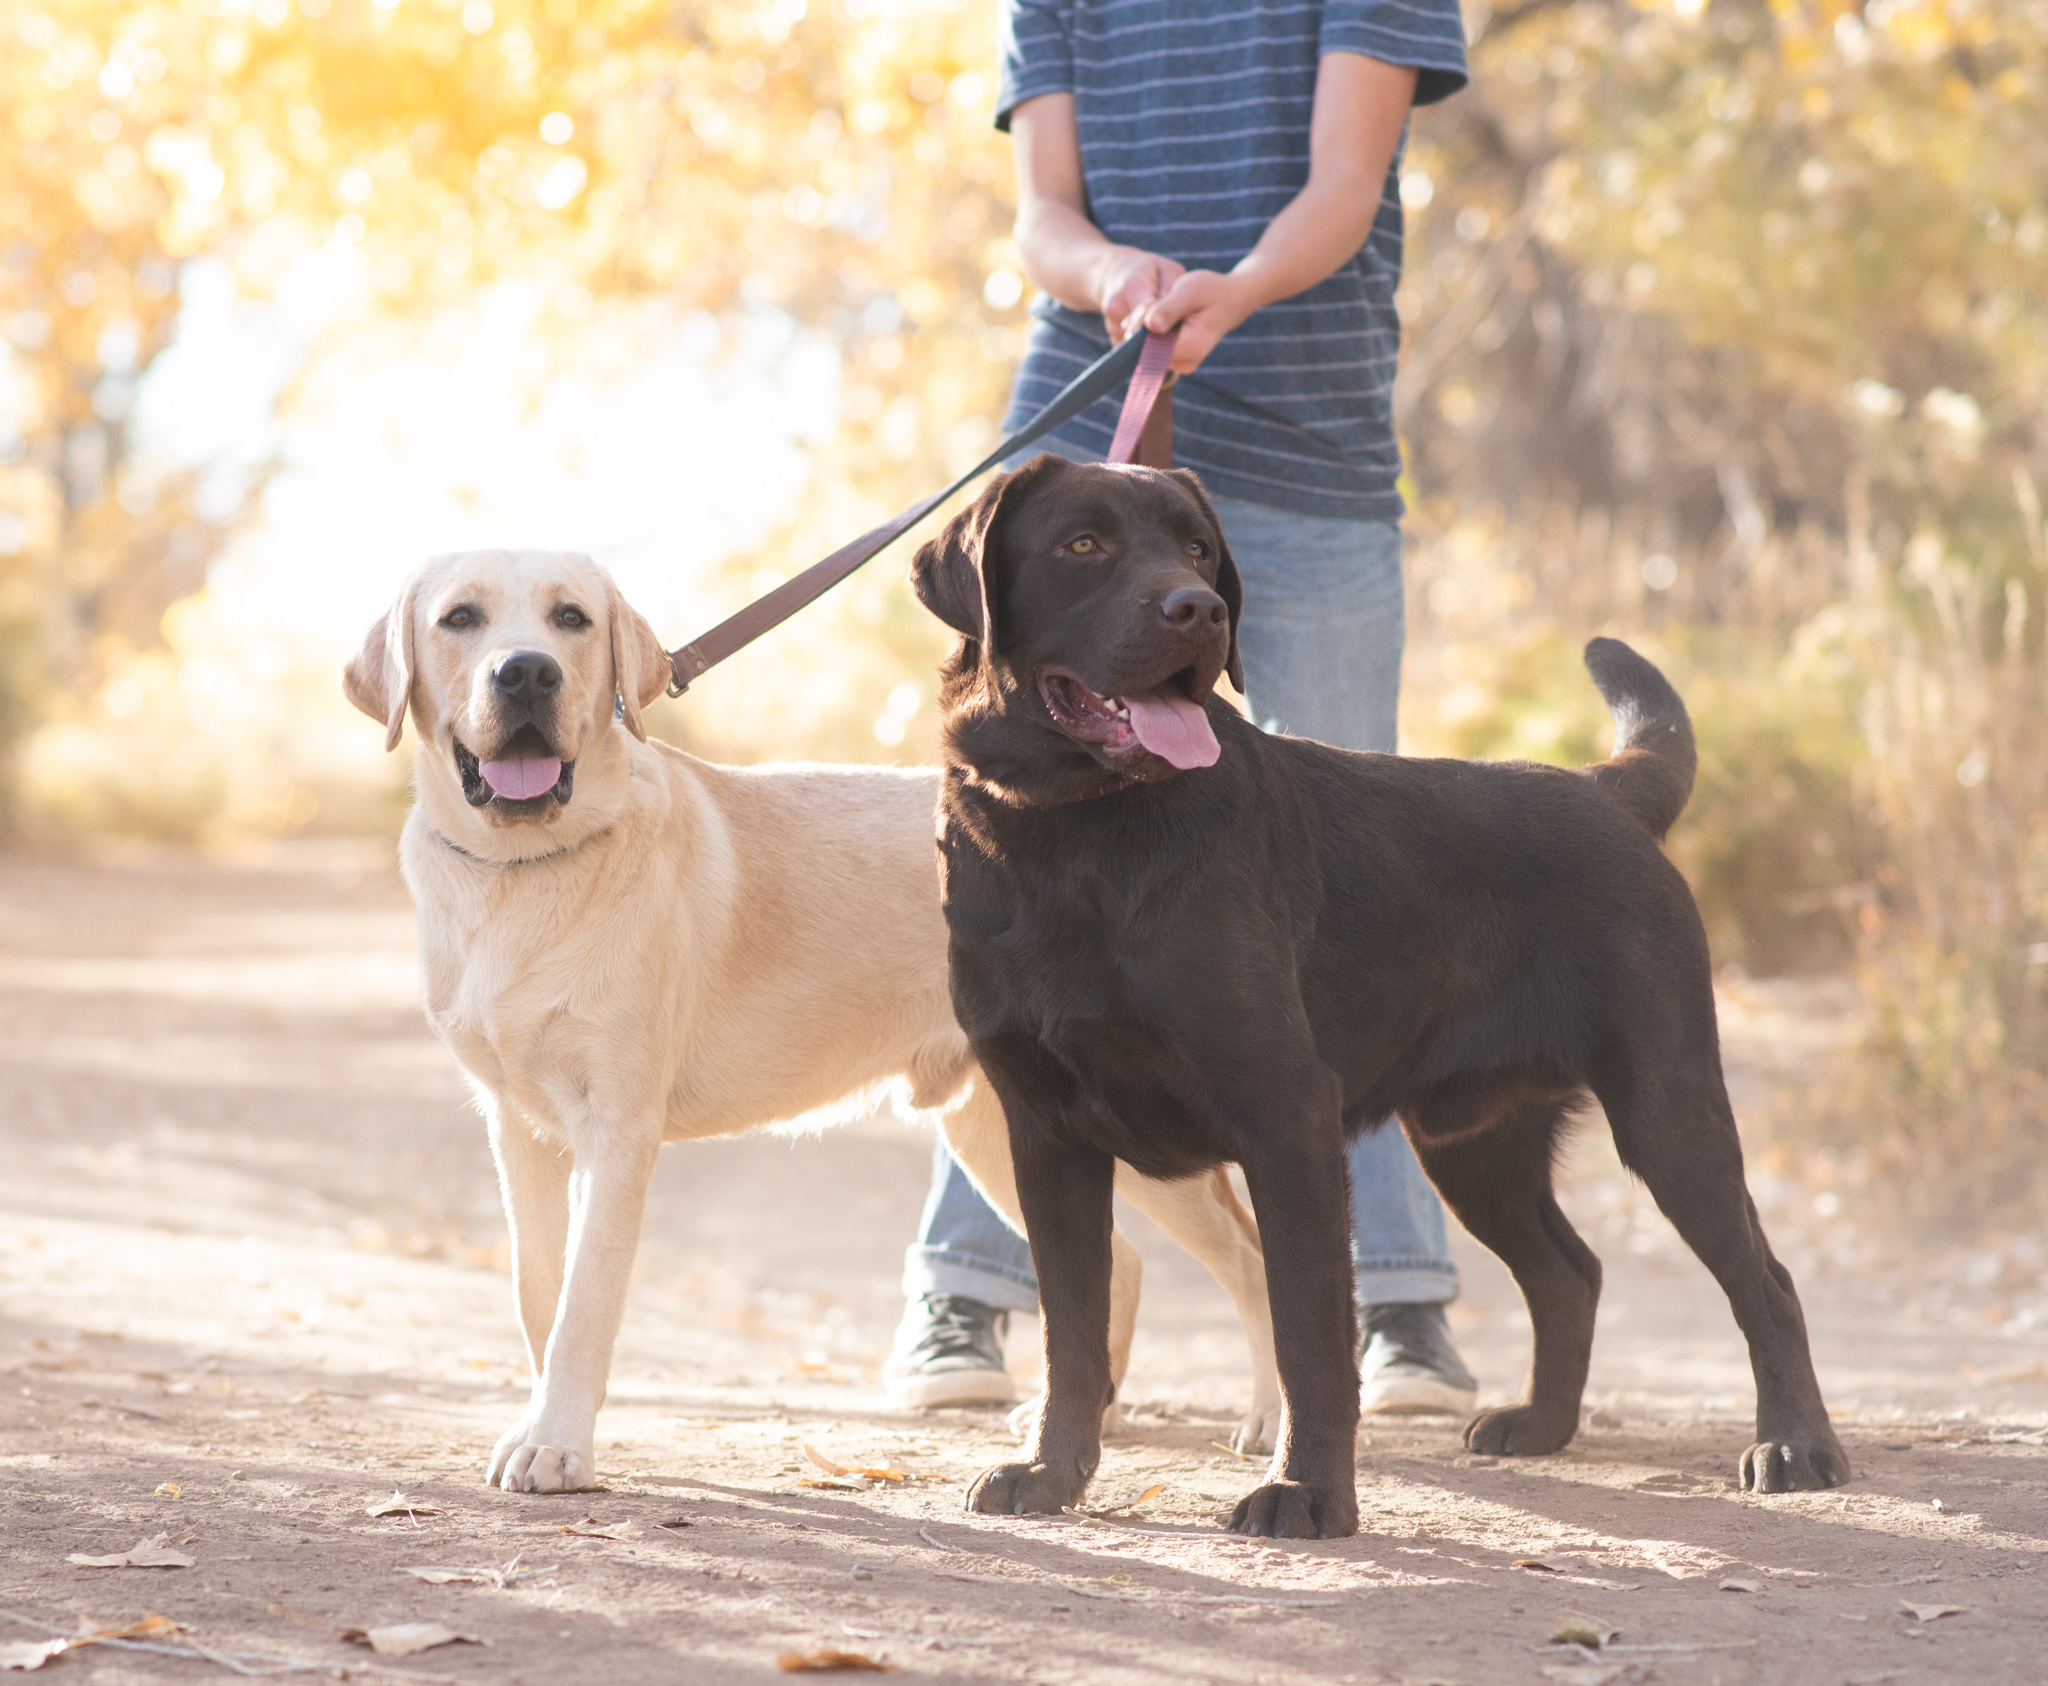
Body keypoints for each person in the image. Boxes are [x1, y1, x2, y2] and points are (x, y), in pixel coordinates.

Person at [884, 0, 1476, 1421]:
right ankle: (967, 1287)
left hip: (1305, 445)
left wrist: (1239, 287)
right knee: (1022, 888)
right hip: (1086, 428)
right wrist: (1112, 272)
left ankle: (1394, 1301)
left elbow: (1345, 188)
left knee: (1352, 898)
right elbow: (1043, 214)